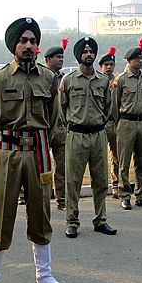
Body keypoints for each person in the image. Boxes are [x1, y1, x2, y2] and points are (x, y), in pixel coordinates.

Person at [0, 17, 70, 283]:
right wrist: (7, 147)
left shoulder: (49, 78)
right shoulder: (0, 78)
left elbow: (53, 119)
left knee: (41, 213)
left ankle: (45, 277)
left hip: (39, 152)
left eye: (32, 41)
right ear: (14, 45)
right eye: (23, 41)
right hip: (7, 153)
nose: (29, 45)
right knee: (0, 214)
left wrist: (38, 142)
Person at [61, 37, 117, 238]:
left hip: (98, 134)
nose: (89, 55)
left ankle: (100, 219)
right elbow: (62, 108)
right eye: (85, 52)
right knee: (73, 180)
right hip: (77, 135)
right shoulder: (68, 81)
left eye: (91, 51)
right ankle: (72, 221)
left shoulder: (103, 81)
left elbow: (108, 107)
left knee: (101, 179)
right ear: (78, 56)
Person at [112, 39, 142, 210]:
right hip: (126, 122)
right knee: (124, 161)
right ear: (129, 61)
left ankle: (141, 195)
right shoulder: (120, 80)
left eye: (141, 58)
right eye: (136, 58)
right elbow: (114, 106)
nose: (140, 61)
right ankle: (124, 194)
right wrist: (119, 124)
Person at [43, 38, 69, 211]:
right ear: (48, 59)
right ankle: (42, 199)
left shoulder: (64, 79)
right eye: (57, 57)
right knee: (43, 168)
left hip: (61, 128)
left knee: (62, 167)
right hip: (44, 128)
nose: (61, 59)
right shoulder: (41, 77)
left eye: (62, 56)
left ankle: (62, 199)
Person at [99, 47, 120, 199]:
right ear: (101, 66)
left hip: (116, 122)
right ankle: (100, 186)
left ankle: (116, 185)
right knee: (100, 156)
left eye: (111, 64)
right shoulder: (97, 81)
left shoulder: (119, 81)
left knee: (116, 156)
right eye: (106, 65)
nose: (109, 67)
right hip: (101, 123)